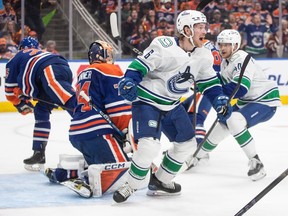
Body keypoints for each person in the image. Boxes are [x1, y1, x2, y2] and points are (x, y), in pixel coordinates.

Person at [113, 10, 233, 203]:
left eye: (205, 26)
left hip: (172, 105)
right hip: (147, 102)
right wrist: (128, 82)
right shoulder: (164, 45)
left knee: (188, 145)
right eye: (199, 27)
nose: (205, 31)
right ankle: (130, 185)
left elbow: (209, 83)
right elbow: (138, 67)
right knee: (148, 147)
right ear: (186, 30)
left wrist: (219, 99)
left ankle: (161, 181)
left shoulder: (204, 55)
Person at [44, 40, 140, 198]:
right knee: (125, 171)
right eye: (108, 54)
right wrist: (126, 133)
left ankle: (64, 173)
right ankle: (85, 179)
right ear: (101, 55)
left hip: (77, 132)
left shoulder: (84, 73)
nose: (111, 57)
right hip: (98, 132)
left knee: (100, 163)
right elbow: (118, 107)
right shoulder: (110, 69)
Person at [189, 29, 281, 181]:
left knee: (233, 120)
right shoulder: (226, 61)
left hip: (264, 101)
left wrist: (215, 92)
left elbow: (240, 87)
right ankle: (198, 155)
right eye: (221, 44)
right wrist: (205, 85)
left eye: (227, 44)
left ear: (236, 45)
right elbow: (220, 83)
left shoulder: (241, 58)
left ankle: (256, 162)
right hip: (247, 101)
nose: (222, 48)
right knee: (222, 124)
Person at [5, 36, 76, 171]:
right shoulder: (42, 53)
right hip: (57, 70)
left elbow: (9, 93)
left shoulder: (16, 57)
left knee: (72, 104)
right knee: (41, 111)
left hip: (49, 71)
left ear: (21, 48)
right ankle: (39, 153)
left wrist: (20, 104)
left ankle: (97, 131)